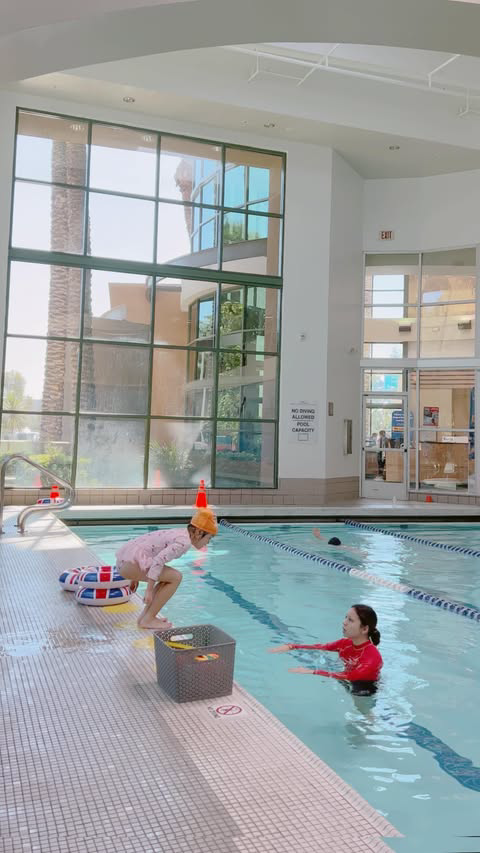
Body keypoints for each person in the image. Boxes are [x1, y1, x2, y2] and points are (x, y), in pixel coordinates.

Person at [115, 508, 218, 629]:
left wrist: (135, 577)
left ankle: (144, 618)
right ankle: (148, 619)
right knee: (176, 577)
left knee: (168, 577)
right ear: (199, 532)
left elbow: (147, 546)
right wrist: (149, 590)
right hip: (130, 566)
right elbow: (158, 561)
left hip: (125, 562)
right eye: (209, 538)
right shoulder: (184, 543)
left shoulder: (180, 533)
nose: (207, 543)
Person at [268, 604, 382, 690]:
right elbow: (321, 647)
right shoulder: (345, 643)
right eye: (345, 617)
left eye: (350, 620)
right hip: (346, 678)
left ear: (364, 629)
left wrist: (312, 671)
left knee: (364, 713)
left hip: (364, 688)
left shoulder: (372, 658)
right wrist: (292, 646)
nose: (344, 622)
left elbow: (350, 676)